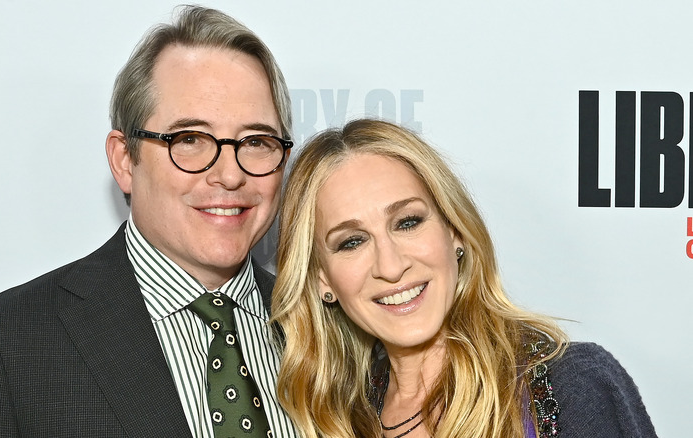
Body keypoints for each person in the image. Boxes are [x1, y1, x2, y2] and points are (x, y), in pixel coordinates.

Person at [0, 6, 298, 437]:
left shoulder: (331, 332)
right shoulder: (2, 348)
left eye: (256, 142)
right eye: (189, 139)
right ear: (124, 160)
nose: (230, 174)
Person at [271, 119, 657, 438]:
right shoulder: (330, 419)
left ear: (454, 231)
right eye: (352, 242)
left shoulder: (571, 385)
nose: (389, 266)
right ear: (322, 278)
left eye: (408, 222)